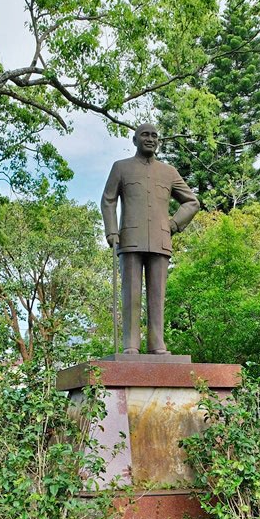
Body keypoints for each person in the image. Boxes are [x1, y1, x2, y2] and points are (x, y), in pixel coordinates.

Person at [101, 123, 200, 354]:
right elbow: (108, 200)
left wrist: (174, 224)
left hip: (160, 240)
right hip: (130, 239)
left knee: (157, 297)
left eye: (154, 136)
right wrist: (111, 230)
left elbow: (192, 202)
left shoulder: (169, 172)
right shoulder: (121, 168)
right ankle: (131, 346)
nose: (150, 139)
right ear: (135, 140)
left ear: (158, 142)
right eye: (145, 135)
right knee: (131, 295)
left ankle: (157, 344)